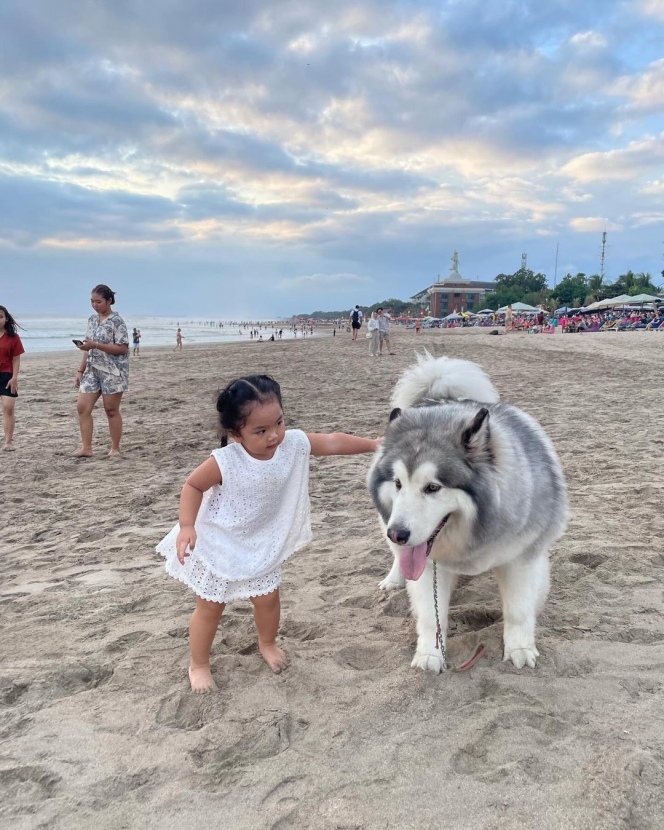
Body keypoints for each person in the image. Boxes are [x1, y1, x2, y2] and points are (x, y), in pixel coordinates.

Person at [156, 375, 381, 692]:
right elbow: (192, 485)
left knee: (268, 600)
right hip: (218, 542)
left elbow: (331, 441)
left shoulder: (292, 445)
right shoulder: (225, 461)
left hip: (260, 543)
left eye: (279, 422)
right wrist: (187, 526)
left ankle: (267, 643)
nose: (274, 435)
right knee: (210, 607)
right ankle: (199, 664)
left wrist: (372, 445)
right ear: (235, 434)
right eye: (260, 431)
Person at [74, 285, 129, 458]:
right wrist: (80, 370)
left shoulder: (117, 321)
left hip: (112, 371)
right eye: (92, 301)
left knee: (111, 409)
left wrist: (96, 345)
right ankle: (86, 448)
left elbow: (122, 348)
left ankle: (115, 448)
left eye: (98, 301)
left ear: (109, 301)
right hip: (92, 369)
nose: (95, 305)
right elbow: (88, 347)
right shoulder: (91, 320)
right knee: (82, 407)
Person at [0, 305, 25, 451]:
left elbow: (16, 359)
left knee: (8, 408)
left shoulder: (13, 337)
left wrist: (14, 377)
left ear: (6, 318)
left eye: (0, 317)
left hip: (7, 375)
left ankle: (8, 442)